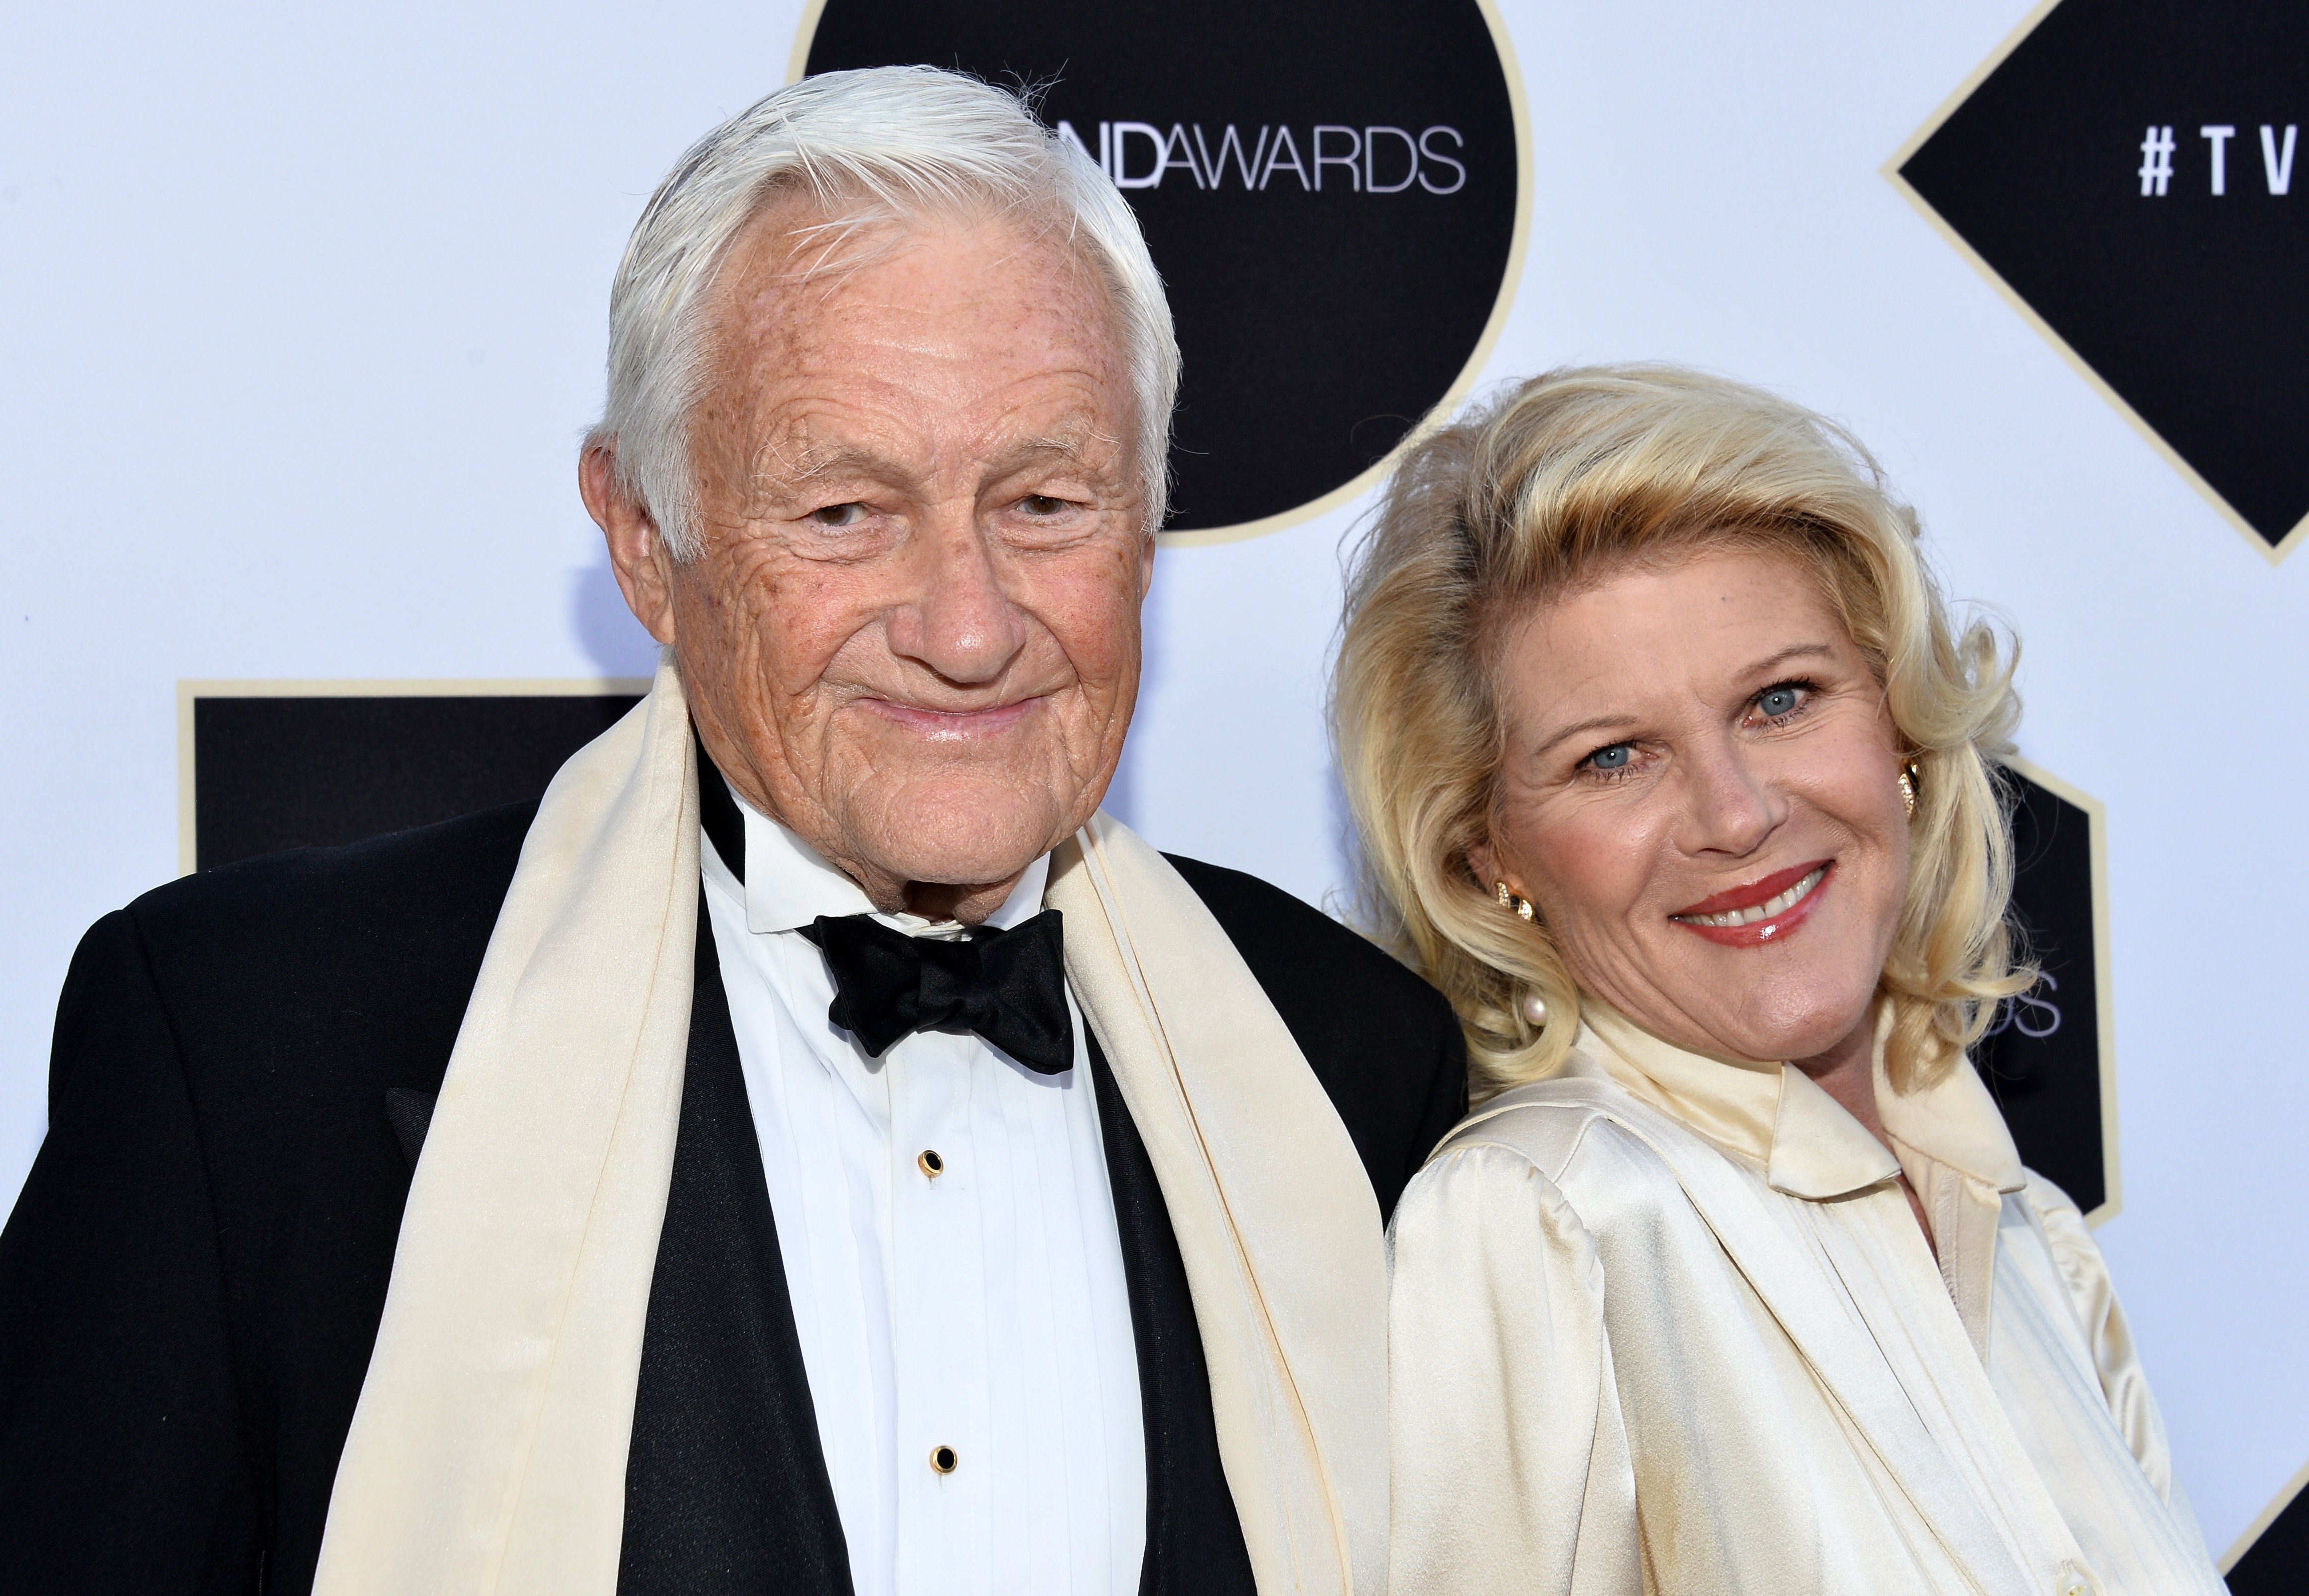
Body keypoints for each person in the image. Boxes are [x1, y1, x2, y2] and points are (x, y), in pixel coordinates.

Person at [0, 68, 1464, 1596]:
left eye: (1044, 501)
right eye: (844, 513)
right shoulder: (247, 1046)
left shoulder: (1350, 1062)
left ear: (1146, 524)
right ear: (646, 540)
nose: (967, 629)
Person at [1334, 365, 2225, 1595]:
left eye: (1782, 700)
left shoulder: (2033, 1241)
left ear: (1902, 727)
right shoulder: (1542, 1223)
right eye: (1614, 759)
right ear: (1491, 859)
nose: (1736, 815)